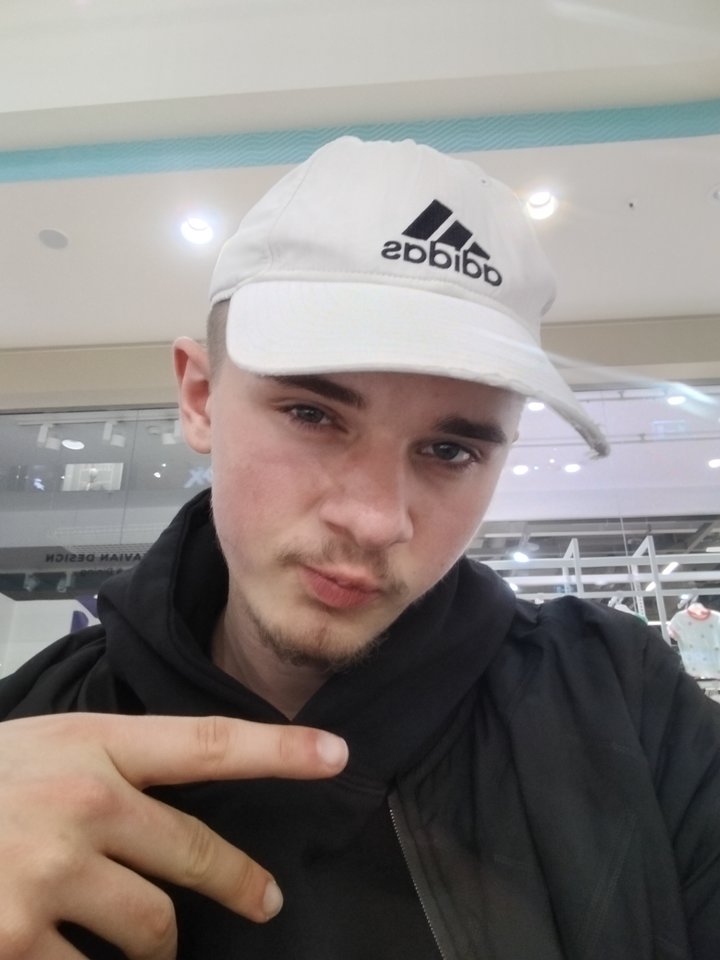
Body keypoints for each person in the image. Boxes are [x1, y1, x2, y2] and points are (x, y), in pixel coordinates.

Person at [0, 136, 717, 960]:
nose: (375, 520)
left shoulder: (624, 706)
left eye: (450, 451)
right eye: (312, 415)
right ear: (200, 398)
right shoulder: (31, 728)